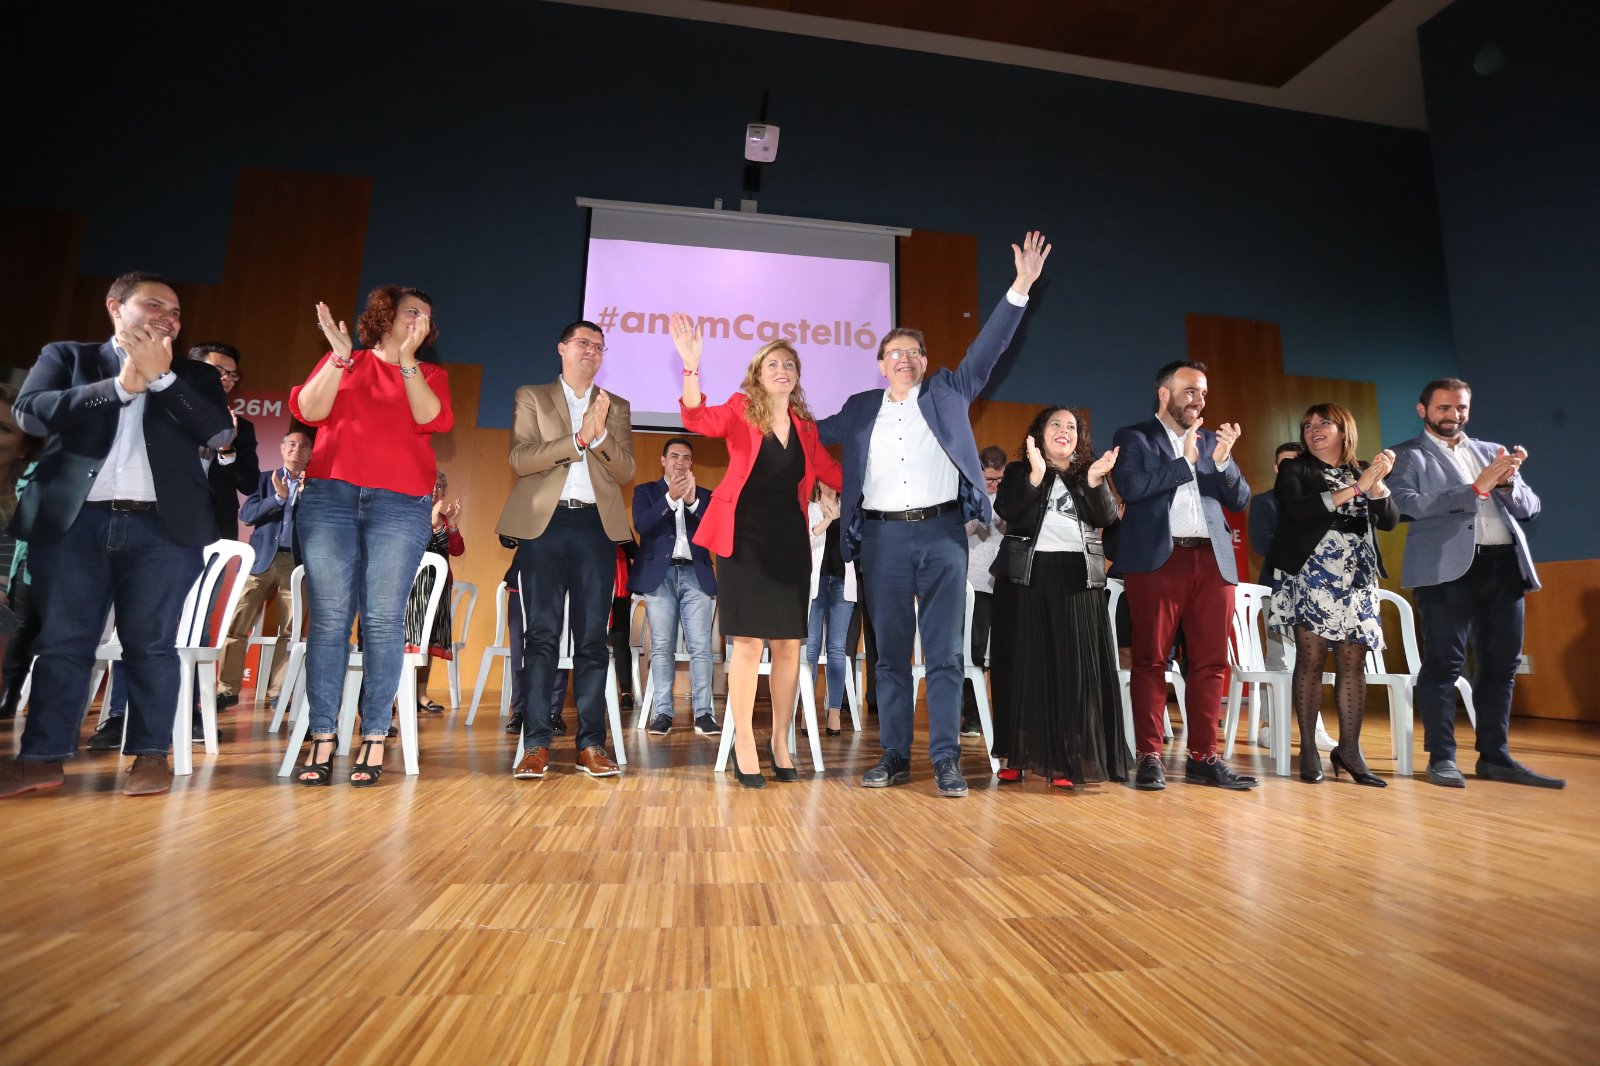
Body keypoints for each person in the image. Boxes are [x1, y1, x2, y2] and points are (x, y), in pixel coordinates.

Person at [817, 231, 1050, 797]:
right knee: (890, 657)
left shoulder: (948, 389)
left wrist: (1020, 285)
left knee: (945, 654)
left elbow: (988, 349)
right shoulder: (860, 408)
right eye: (893, 353)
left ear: (924, 361)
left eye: (913, 352)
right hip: (882, 541)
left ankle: (945, 758)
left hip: (945, 534)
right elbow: (806, 437)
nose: (904, 359)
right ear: (879, 364)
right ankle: (895, 755)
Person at [0, 272, 233, 799]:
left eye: (175, 312)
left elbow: (218, 433)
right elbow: (31, 415)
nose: (168, 317)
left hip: (163, 530)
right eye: (154, 305)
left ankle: (150, 755)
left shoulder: (194, 375)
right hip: (73, 523)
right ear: (115, 307)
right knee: (62, 643)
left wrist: (163, 380)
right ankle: (41, 759)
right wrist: (120, 387)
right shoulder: (69, 357)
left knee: (150, 645)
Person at [288, 286, 454, 786]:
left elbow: (431, 418)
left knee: (382, 621)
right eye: (410, 312)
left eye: (426, 317)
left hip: (400, 504)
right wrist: (338, 361)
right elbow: (309, 412)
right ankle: (323, 735)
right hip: (330, 497)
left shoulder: (429, 374)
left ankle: (376, 734)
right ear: (384, 316)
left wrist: (405, 362)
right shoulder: (346, 360)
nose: (419, 321)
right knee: (332, 619)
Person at [670, 319, 844, 788]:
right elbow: (697, 420)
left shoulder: (806, 428)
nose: (783, 369)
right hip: (742, 536)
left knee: (790, 644)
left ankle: (780, 741)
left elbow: (833, 471)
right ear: (758, 373)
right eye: (773, 363)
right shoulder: (741, 408)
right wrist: (691, 367)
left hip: (789, 538)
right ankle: (744, 740)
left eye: (790, 364)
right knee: (746, 642)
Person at [1387, 378, 1562, 788]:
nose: (1454, 416)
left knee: (1502, 665)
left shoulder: (1490, 451)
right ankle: (1442, 757)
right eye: (1444, 408)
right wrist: (1474, 489)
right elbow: (1405, 505)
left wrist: (1505, 484)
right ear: (1422, 410)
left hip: (1504, 568)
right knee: (1444, 664)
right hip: (1447, 573)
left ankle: (1495, 756)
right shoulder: (1405, 456)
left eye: (1461, 408)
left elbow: (1530, 508)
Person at [497, 320, 634, 781]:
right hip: (545, 524)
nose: (591, 351)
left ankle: (591, 745)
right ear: (561, 348)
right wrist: (576, 439)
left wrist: (598, 436)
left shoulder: (614, 406)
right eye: (582, 343)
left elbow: (626, 469)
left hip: (596, 526)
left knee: (594, 641)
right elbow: (521, 458)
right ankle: (535, 744)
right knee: (541, 637)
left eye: (599, 346)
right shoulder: (533, 396)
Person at [1110, 359, 1255, 791]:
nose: (1199, 400)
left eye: (1204, 393)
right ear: (1164, 393)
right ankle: (1150, 755)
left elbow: (1242, 498)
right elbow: (1132, 489)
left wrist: (1224, 462)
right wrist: (1186, 463)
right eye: (1190, 390)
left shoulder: (1213, 441)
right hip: (1159, 561)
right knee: (1151, 660)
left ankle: (1204, 756)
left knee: (1211, 662)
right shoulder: (1134, 437)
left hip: (1212, 562)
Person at [989, 407, 1131, 790]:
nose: (1064, 431)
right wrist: (1035, 476)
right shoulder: (1020, 471)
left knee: (1073, 672)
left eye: (1072, 426)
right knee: (1020, 667)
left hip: (1076, 580)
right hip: (1024, 580)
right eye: (1056, 424)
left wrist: (1098, 480)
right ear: (1040, 433)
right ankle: (1015, 756)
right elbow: (1006, 510)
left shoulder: (1088, 474)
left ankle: (1069, 757)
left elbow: (1106, 518)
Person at [1264, 404, 1399, 786]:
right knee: (1311, 659)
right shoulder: (1296, 468)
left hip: (1358, 573)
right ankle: (1309, 748)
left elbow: (1388, 520)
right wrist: (1355, 488)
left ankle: (1349, 751)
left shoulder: (1363, 468)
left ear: (1344, 430)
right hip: (1314, 570)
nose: (1314, 429)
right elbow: (1298, 510)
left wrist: (1374, 482)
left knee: (1353, 662)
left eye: (1324, 422)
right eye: (1307, 424)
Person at [214, 427, 313, 709]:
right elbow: (246, 515)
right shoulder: (263, 481)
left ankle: (277, 692)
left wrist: (304, 500)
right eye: (291, 444)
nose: (297, 449)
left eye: (304, 445)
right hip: (260, 561)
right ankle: (227, 689)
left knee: (290, 631)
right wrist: (279, 499)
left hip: (295, 564)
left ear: (311, 454)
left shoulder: (317, 486)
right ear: (282, 449)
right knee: (237, 624)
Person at [1248, 441, 1334, 753]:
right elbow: (1261, 544)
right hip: (1277, 588)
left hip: (1315, 592)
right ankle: (1269, 725)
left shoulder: (1324, 501)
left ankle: (1315, 728)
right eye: (1284, 463)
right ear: (1275, 468)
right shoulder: (1265, 502)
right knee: (1279, 658)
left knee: (1313, 660)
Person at [629, 437, 718, 737]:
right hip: (660, 575)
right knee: (663, 647)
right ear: (663, 460)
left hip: (696, 576)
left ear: (692, 464)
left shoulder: (705, 495)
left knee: (701, 648)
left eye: (686, 458)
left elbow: (715, 528)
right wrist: (670, 499)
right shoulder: (645, 491)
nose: (680, 462)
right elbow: (642, 525)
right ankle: (663, 712)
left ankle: (704, 713)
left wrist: (691, 502)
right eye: (674, 456)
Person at [190, 342, 261, 542]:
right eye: (218, 370)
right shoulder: (168, 415)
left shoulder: (241, 427)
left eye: (233, 374)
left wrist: (227, 449)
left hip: (216, 524)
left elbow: (249, 485)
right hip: (162, 517)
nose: (227, 378)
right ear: (194, 370)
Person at [407, 470, 464, 713]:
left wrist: (450, 526)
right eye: (431, 484)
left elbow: (458, 550)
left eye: (440, 486)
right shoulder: (408, 512)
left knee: (427, 643)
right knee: (408, 642)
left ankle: (420, 695)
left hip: (438, 588)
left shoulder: (444, 517)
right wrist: (435, 524)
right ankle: (400, 695)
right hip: (411, 588)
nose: (435, 489)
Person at [961, 445, 1008, 737]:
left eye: (998, 480)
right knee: (972, 650)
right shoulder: (966, 492)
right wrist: (981, 511)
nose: (994, 486)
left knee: (999, 652)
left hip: (1001, 581)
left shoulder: (1009, 494)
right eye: (989, 480)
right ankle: (973, 714)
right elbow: (960, 530)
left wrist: (1004, 507)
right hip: (972, 582)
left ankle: (998, 715)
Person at [805, 482, 854, 737]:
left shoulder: (850, 509)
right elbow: (808, 537)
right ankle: (807, 710)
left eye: (835, 477)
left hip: (843, 584)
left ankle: (834, 711)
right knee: (811, 647)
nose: (830, 482)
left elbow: (858, 542)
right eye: (824, 477)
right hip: (816, 582)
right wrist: (828, 519)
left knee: (836, 648)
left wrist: (840, 516)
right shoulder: (810, 507)